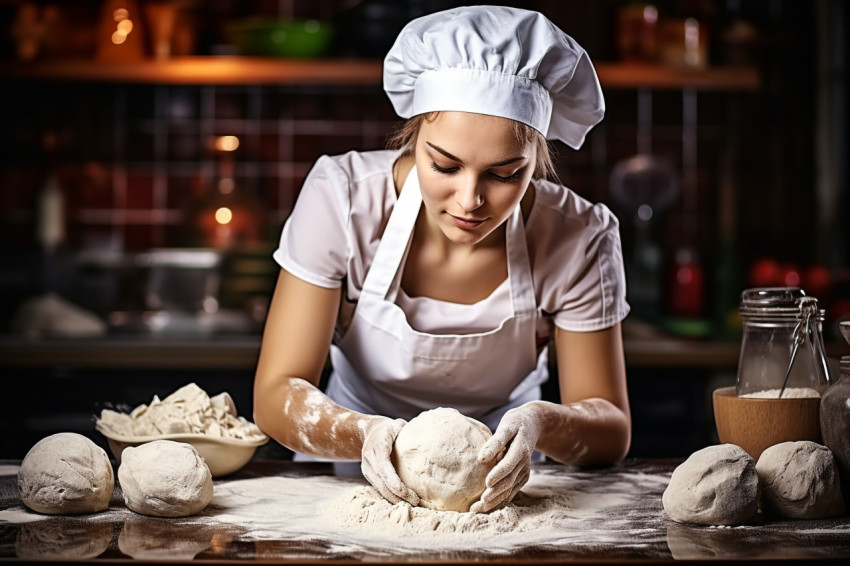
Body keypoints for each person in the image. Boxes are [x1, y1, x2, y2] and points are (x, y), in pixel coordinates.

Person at [253, 5, 631, 514]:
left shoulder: (579, 234)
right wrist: (366, 436)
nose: (469, 200)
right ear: (412, 138)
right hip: (343, 482)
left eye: (504, 175)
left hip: (504, 495)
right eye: (444, 165)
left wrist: (541, 421)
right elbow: (276, 396)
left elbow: (610, 429)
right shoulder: (342, 200)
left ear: (537, 160)